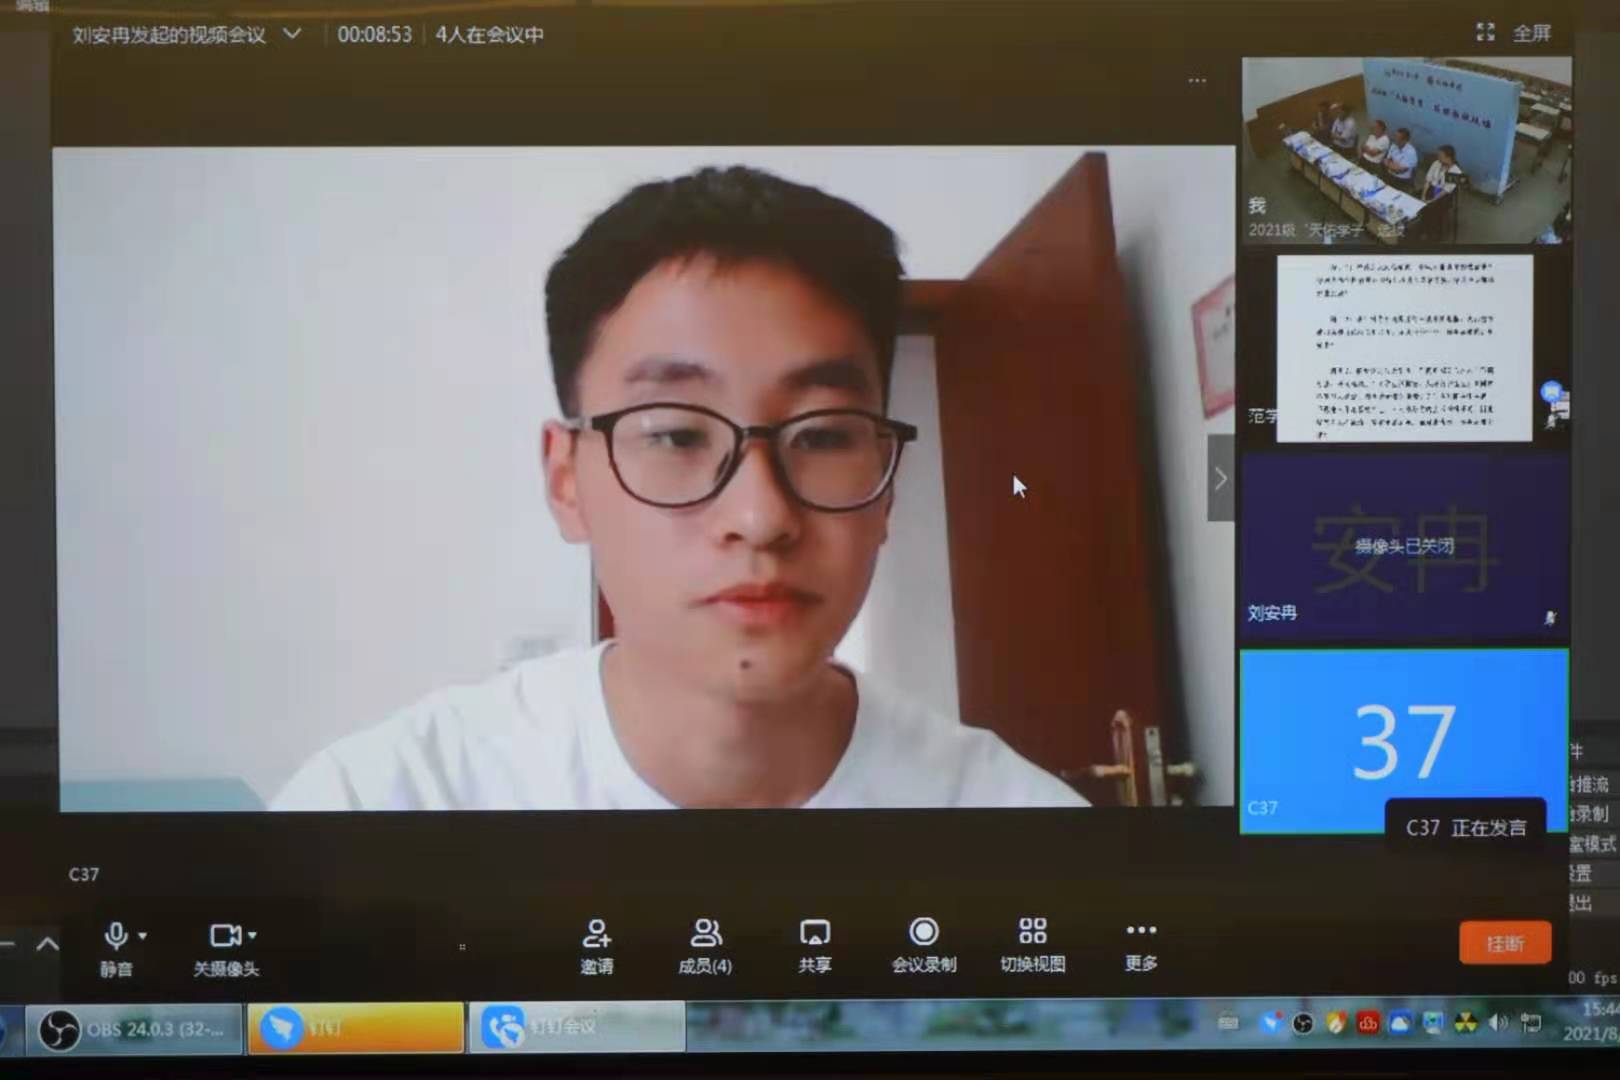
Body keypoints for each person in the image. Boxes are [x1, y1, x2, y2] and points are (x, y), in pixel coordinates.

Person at [271, 165, 1087, 812]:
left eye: (823, 435)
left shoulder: (1022, 829)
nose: (760, 516)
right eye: (676, 435)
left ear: (886, 485)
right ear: (566, 480)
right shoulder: (384, 807)